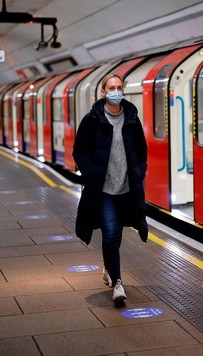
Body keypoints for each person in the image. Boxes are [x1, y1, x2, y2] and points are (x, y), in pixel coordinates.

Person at [73, 73, 148, 305]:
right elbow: (80, 152)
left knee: (118, 234)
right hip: (103, 189)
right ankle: (117, 283)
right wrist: (92, 173)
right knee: (111, 231)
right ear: (103, 92)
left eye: (119, 87)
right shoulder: (92, 120)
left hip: (127, 188)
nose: (116, 91)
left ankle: (108, 265)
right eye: (111, 88)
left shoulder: (132, 118)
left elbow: (141, 150)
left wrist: (138, 173)